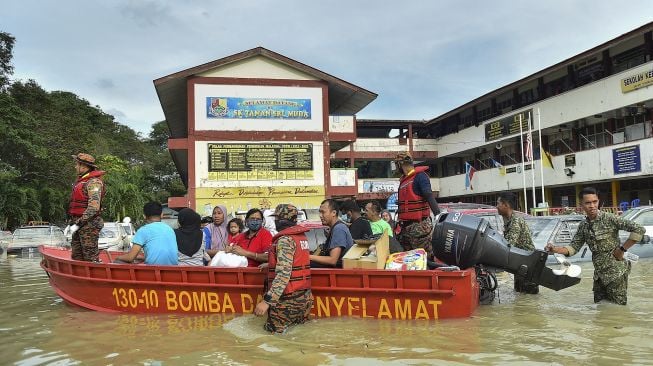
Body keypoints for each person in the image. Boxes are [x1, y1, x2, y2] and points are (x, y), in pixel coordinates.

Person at [545, 187, 645, 305]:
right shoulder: (584, 225)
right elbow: (573, 248)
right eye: (588, 203)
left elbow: (639, 229)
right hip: (599, 275)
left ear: (598, 201)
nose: (592, 206)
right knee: (600, 307)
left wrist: (622, 249)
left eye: (595, 202)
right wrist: (555, 249)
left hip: (616, 272)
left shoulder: (609, 218)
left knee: (618, 309)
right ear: (581, 204)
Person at [254, 204, 312, 333]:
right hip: (305, 297)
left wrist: (267, 302)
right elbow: (294, 261)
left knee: (273, 337)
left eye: (277, 218)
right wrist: (271, 264)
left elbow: (283, 274)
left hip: (288, 300)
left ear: (282, 220)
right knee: (298, 334)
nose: (275, 221)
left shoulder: (285, 239)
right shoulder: (301, 237)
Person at [394, 152, 440, 256]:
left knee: (425, 258)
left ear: (400, 164)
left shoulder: (420, 176)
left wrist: (438, 214)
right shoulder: (405, 180)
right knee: (410, 259)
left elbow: (428, 194)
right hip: (406, 228)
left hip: (420, 227)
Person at [496, 192, 538, 294]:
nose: (496, 207)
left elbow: (508, 245)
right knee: (520, 296)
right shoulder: (509, 221)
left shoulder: (516, 221)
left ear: (506, 205)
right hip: (522, 265)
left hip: (528, 266)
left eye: (498, 203)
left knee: (527, 298)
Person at [68, 153, 105, 262]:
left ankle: (95, 277)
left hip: (89, 223)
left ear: (83, 166)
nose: (75, 167)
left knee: (90, 256)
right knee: (77, 255)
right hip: (78, 222)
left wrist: (79, 223)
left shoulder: (94, 182)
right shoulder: (82, 181)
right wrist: (74, 223)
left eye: (77, 164)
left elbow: (93, 208)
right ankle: (79, 277)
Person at [310, 199, 354, 268]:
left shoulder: (339, 228)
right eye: (320, 212)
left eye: (323, 212)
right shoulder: (335, 228)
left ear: (333, 213)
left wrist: (308, 257)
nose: (320, 215)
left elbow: (332, 260)